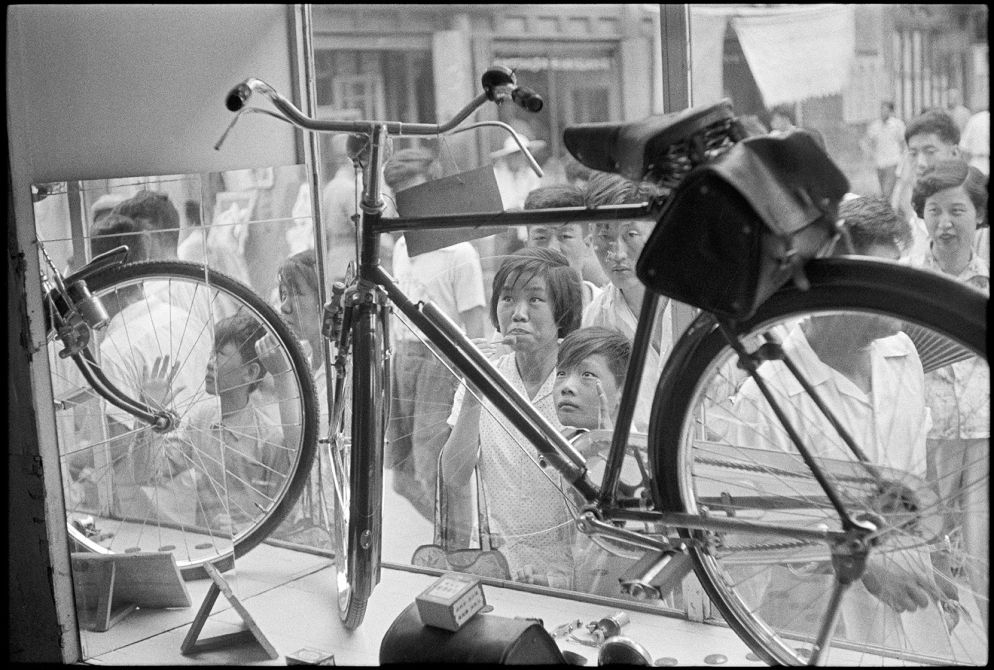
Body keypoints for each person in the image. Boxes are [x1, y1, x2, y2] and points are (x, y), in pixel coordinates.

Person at [710, 195, 957, 654]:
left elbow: (914, 481)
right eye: (881, 277)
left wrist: (934, 555)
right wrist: (865, 564)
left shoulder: (903, 356)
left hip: (912, 608)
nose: (898, 293)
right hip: (820, 625)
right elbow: (755, 528)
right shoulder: (767, 395)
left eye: (900, 272)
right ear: (831, 282)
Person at [440, 247, 583, 589]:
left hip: (571, 570)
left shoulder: (579, 379)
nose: (517, 313)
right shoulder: (487, 375)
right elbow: (454, 475)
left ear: (562, 312)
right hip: (499, 565)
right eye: (507, 299)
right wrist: (475, 389)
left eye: (535, 300)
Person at [383, 147, 488, 520]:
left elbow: (476, 328)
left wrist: (470, 388)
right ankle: (454, 540)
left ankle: (457, 549)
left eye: (417, 193)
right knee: (402, 477)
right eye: (400, 197)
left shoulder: (460, 253)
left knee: (438, 471)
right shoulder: (400, 246)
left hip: (442, 363)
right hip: (403, 359)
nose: (408, 204)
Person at [910, 159, 989, 629]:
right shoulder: (906, 283)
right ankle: (943, 637)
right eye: (934, 210)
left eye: (957, 210)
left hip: (984, 432)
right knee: (930, 537)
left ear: (978, 216)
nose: (944, 223)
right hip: (929, 432)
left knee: (981, 543)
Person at [552, 326, 645, 596]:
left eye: (587, 375)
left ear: (622, 392)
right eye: (561, 374)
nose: (567, 387)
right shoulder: (572, 452)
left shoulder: (640, 463)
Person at [581, 172, 673, 432]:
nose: (617, 253)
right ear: (590, 238)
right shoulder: (596, 318)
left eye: (630, 234)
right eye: (605, 237)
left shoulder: (700, 299)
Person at [181, 313, 287, 533]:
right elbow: (149, 472)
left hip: (252, 552)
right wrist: (150, 414)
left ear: (249, 373)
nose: (210, 363)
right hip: (203, 546)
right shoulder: (200, 418)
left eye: (220, 356)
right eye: (212, 353)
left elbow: (285, 516)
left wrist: (243, 529)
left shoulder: (270, 439)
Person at [889, 110, 961, 260]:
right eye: (913, 154)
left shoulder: (974, 215)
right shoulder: (917, 216)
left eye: (930, 151)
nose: (921, 163)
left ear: (954, 154)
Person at [524, 184, 607, 307]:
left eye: (565, 236)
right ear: (527, 248)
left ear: (588, 244)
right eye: (541, 238)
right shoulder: (515, 316)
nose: (553, 249)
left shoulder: (609, 313)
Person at [958, 109, 990, 263]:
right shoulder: (976, 119)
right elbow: (964, 147)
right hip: (979, 162)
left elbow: (964, 148)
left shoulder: (976, 119)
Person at [860, 101, 907, 200]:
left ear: (891, 111)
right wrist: (869, 153)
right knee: (883, 191)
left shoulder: (897, 125)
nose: (883, 112)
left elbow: (903, 143)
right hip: (880, 163)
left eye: (886, 110)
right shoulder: (875, 126)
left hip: (893, 162)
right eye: (882, 110)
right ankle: (888, 210)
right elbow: (866, 141)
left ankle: (887, 211)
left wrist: (902, 159)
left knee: (887, 192)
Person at [492, 130, 546, 212]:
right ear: (507, 156)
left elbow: (534, 202)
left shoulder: (532, 175)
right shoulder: (495, 175)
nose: (521, 157)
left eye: (525, 152)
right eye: (516, 153)